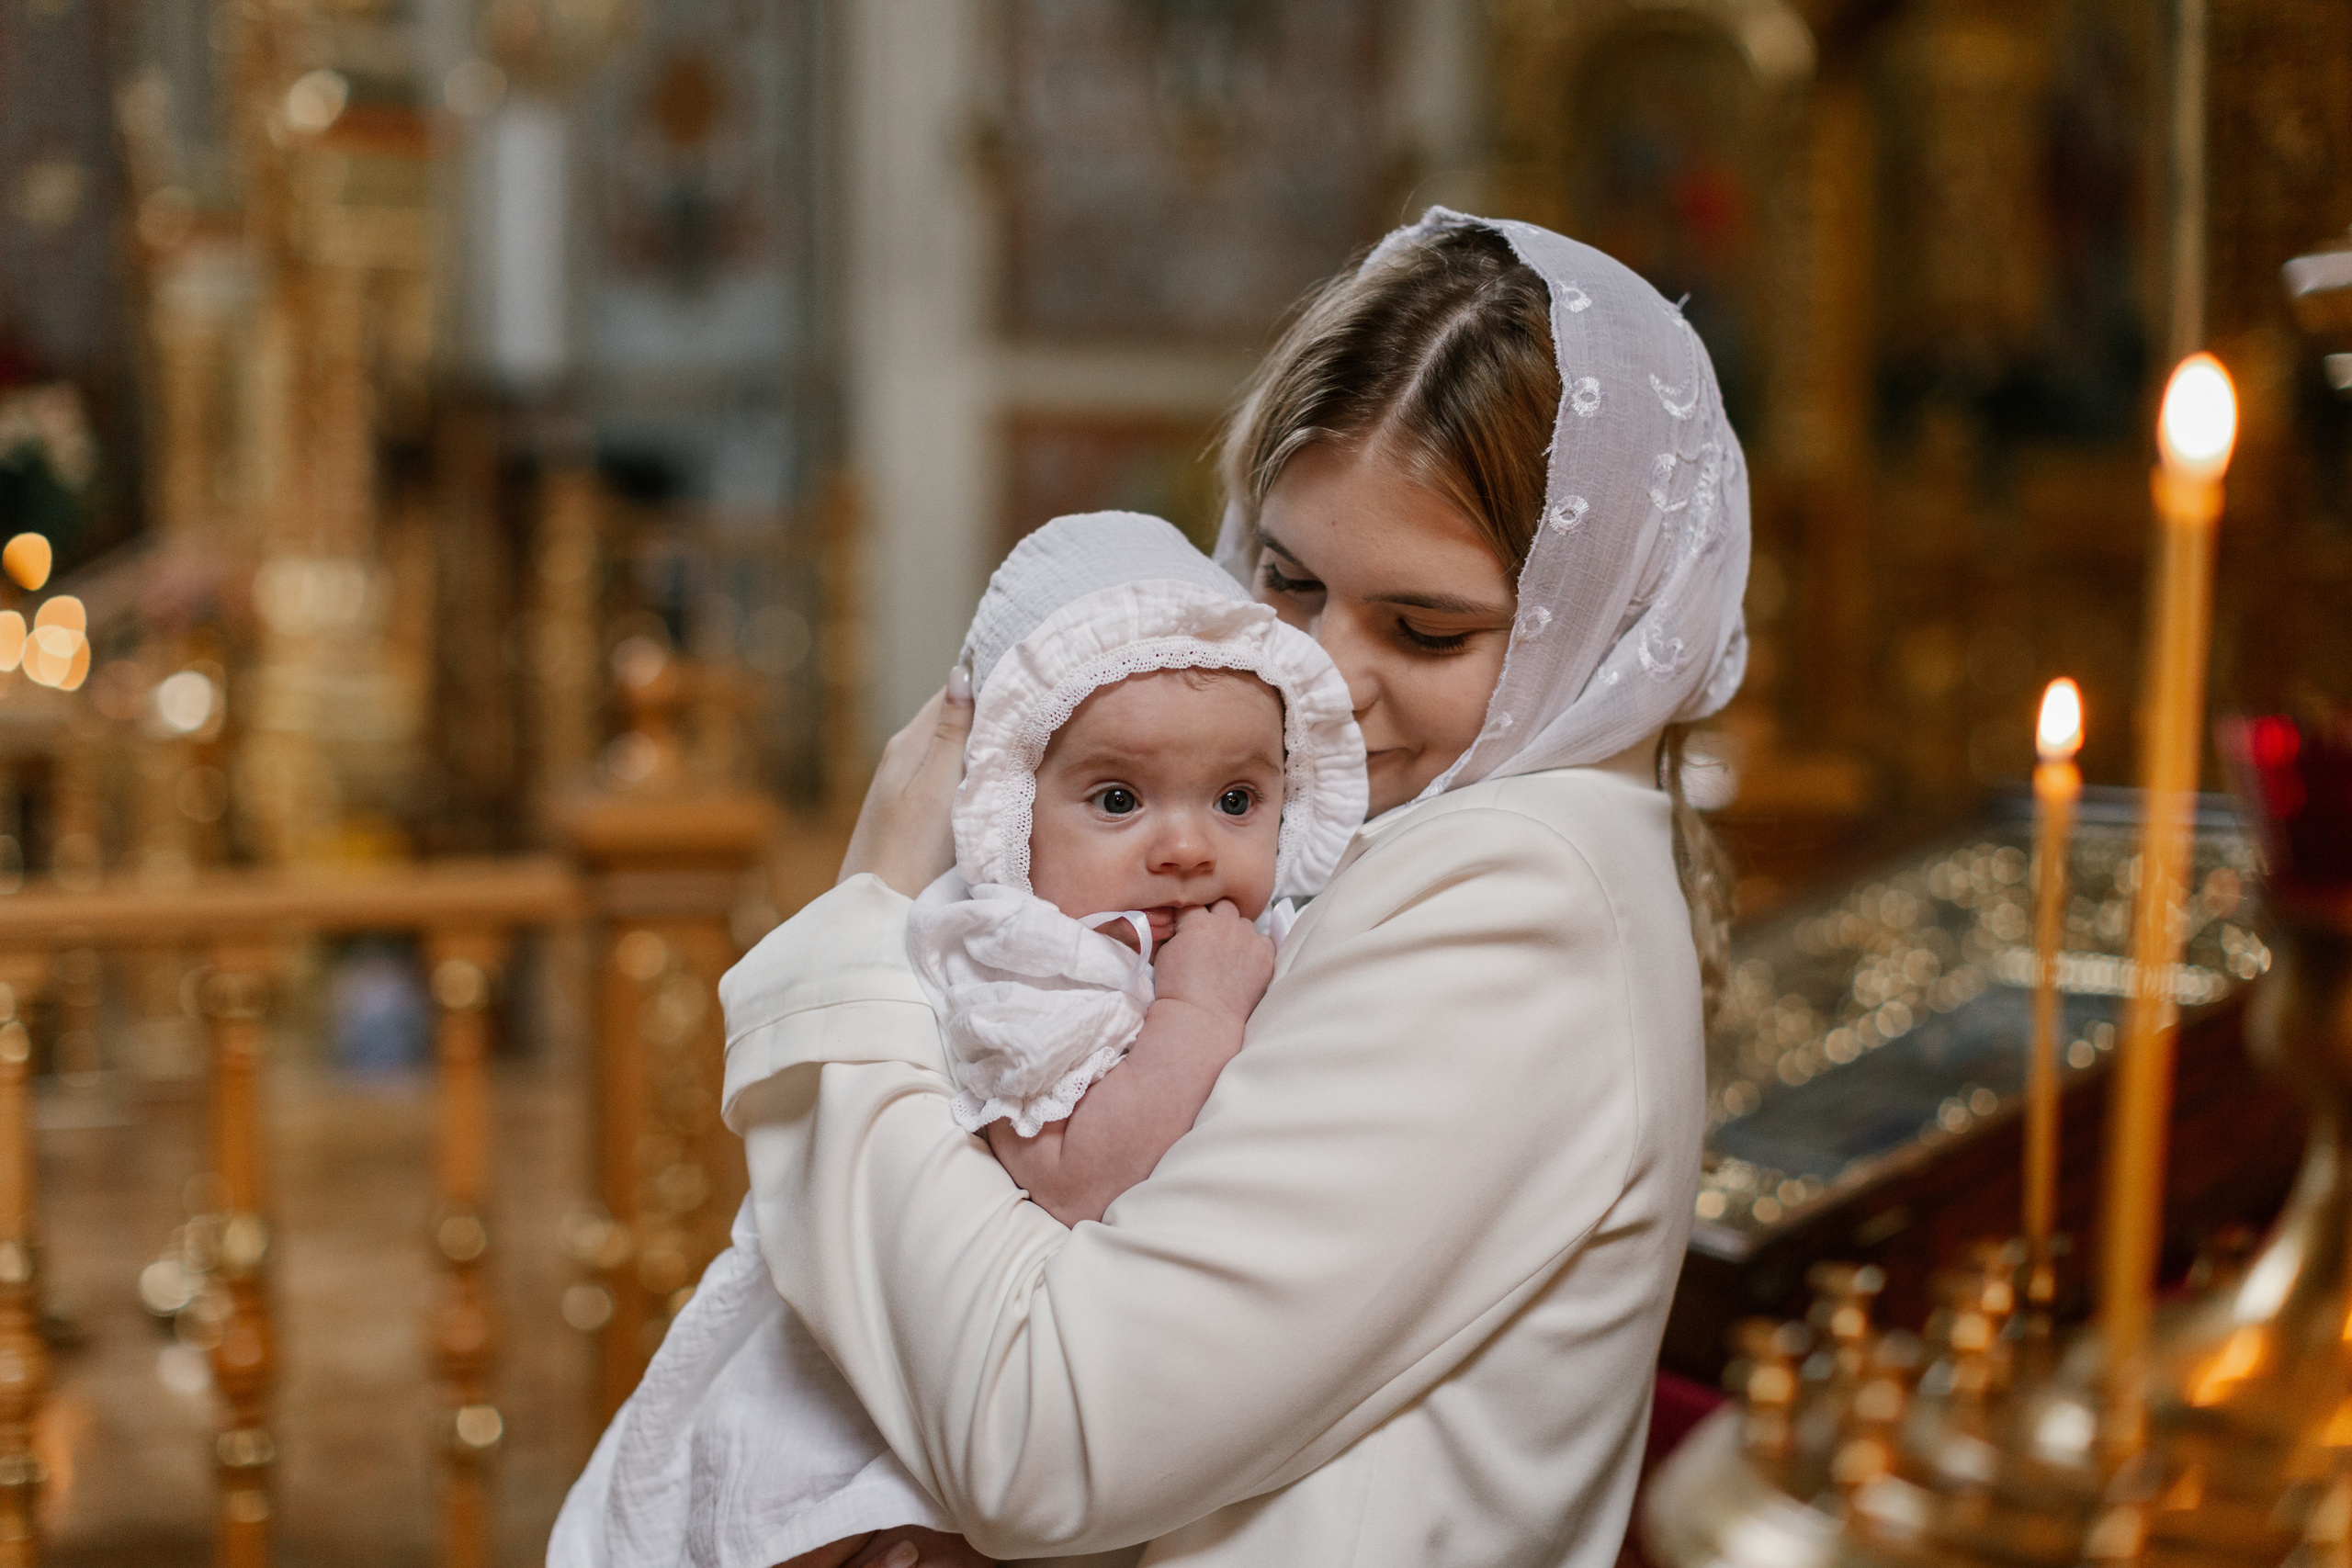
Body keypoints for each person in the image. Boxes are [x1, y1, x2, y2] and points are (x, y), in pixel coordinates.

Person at [724, 209, 1747, 1568]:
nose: (1323, 670)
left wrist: (857, 930)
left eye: (1426, 628)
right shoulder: (1357, 839)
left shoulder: (1520, 896)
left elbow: (1047, 1430)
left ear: (1607, 615)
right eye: (1287, 577)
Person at [548, 513, 1363, 1568]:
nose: (1186, 846)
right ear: (1011, 815)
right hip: (893, 1414)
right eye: (1117, 799)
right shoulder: (1023, 964)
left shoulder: (1246, 935)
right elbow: (1068, 1180)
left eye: (1237, 799)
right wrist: (1196, 1019)